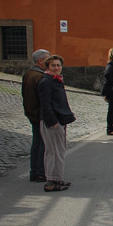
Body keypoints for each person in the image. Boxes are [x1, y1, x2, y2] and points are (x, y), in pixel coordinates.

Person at [38, 55, 76, 191]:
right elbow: (45, 104)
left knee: (57, 151)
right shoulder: (46, 82)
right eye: (53, 65)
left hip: (58, 120)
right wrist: (53, 122)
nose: (56, 68)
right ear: (47, 67)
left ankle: (57, 179)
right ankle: (52, 182)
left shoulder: (55, 80)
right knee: (54, 152)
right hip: (52, 122)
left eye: (58, 65)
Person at [22, 48, 51, 182]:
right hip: (39, 114)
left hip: (33, 112)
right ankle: (40, 171)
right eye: (47, 58)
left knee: (37, 143)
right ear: (40, 61)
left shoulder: (29, 73)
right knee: (42, 144)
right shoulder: (40, 76)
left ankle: (34, 171)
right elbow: (43, 98)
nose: (50, 60)